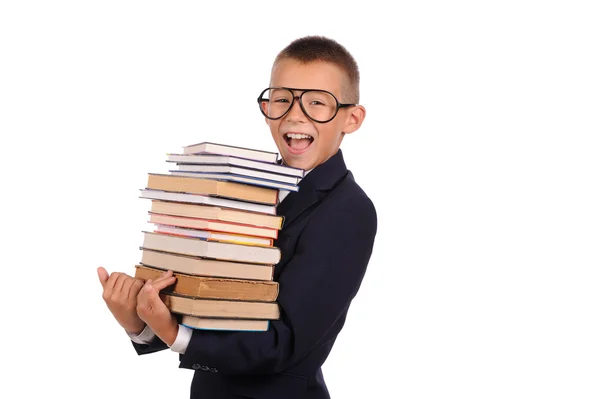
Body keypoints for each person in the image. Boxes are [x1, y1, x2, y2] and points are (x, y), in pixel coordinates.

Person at [98, 35, 378, 399]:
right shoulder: (243, 189)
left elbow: (285, 343)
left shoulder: (347, 210)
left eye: (316, 102)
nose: (295, 114)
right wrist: (140, 322)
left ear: (352, 118)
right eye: (282, 99)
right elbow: (208, 303)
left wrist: (173, 333)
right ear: (266, 108)